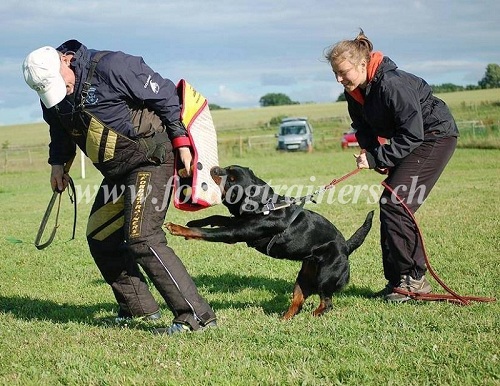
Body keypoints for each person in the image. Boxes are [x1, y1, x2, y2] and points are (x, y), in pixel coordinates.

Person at [23, 40, 217, 333]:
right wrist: (58, 164)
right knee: (101, 237)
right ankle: (138, 310)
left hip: (151, 159)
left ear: (65, 60)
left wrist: (181, 142)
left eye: (60, 83)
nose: (61, 91)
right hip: (117, 172)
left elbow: (165, 95)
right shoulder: (50, 92)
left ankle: (196, 316)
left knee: (142, 237)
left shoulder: (113, 66)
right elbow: (59, 130)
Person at [325, 29, 459, 302]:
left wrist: (378, 157)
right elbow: (361, 126)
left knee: (397, 202)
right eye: (335, 74)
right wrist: (375, 153)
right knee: (390, 203)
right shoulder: (354, 91)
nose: (340, 79)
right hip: (413, 139)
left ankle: (414, 282)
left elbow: (413, 133)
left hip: (434, 136)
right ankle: (398, 282)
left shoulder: (391, 84)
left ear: (362, 64)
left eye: (344, 72)